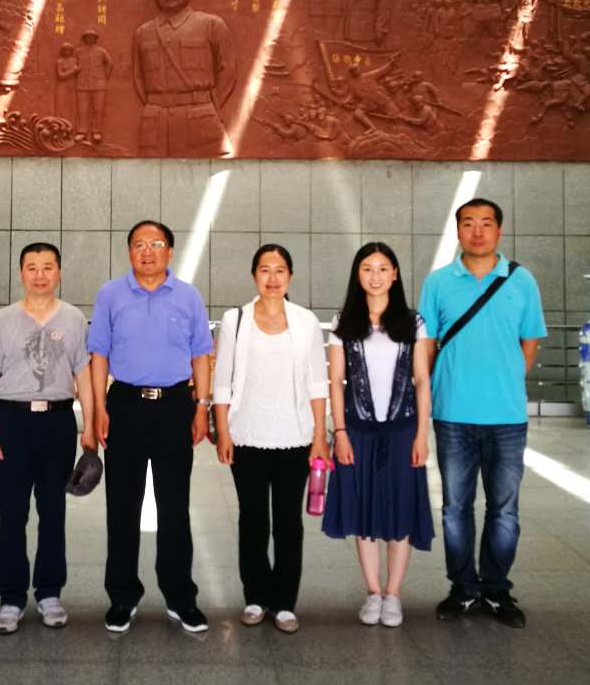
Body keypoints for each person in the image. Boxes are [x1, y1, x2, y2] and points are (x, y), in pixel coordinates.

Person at [418, 198, 545, 629]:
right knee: (455, 507)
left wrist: (503, 381)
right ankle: (463, 588)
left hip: (506, 417)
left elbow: (530, 343)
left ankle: (496, 588)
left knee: (504, 508)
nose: (477, 231)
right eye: (468, 223)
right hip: (452, 414)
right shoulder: (438, 282)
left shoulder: (522, 281)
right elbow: (427, 347)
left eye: (486, 223)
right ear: (458, 231)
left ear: (499, 231)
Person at [89, 219, 214, 634]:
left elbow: (201, 354)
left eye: (156, 244)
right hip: (124, 405)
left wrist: (201, 406)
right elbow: (99, 355)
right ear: (129, 252)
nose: (147, 251)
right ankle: (122, 596)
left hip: (175, 407)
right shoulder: (110, 294)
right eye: (139, 244)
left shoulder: (188, 296)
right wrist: (98, 409)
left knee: (174, 506)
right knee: (122, 505)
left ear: (169, 251)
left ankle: (180, 596)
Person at [0, 243, 96, 634]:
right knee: (12, 514)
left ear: (59, 272)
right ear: (21, 273)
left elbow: (83, 377)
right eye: (32, 267)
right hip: (12, 424)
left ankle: (49, 593)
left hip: (58, 425)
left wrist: (89, 427)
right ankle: (11, 598)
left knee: (53, 512)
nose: (40, 274)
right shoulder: (2, 321)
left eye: (48, 267)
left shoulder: (74, 319)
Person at [212, 244, 328, 634]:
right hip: (247, 435)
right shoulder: (236, 320)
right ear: (254, 275)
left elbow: (317, 382)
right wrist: (223, 431)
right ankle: (256, 596)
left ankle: (284, 602)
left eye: (280, 270)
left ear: (290, 276)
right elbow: (222, 380)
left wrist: (320, 435)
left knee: (288, 522)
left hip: (295, 436)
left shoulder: (306, 321)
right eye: (265, 270)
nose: (272, 278)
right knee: (253, 519)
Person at [322, 242, 434, 629]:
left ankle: (394, 593)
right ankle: (373, 592)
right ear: (358, 275)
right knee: (365, 509)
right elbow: (336, 383)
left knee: (400, 509)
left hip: (402, 431)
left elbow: (422, 381)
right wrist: (339, 432)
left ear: (395, 275)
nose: (375, 276)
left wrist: (421, 435)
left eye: (383, 268)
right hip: (358, 431)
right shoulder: (343, 323)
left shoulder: (412, 322)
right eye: (367, 268)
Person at [131, 0, 236, 157]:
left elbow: (227, 72)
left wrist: (206, 105)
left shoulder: (211, 25)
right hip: (156, 121)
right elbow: (138, 78)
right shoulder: (143, 33)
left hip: (201, 117)